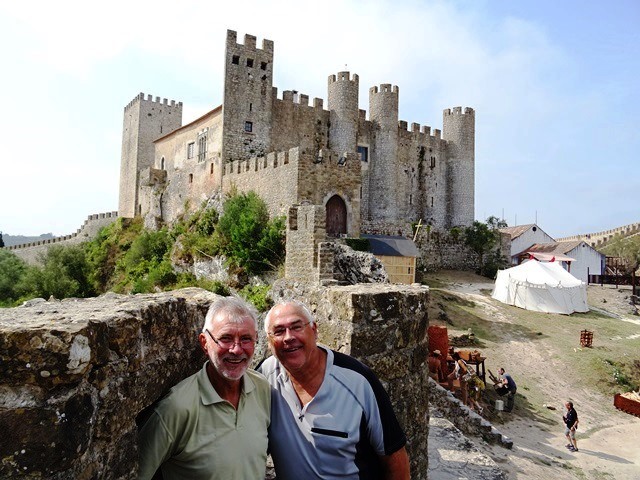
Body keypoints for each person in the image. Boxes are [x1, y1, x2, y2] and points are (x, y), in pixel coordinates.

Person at [258, 301, 410, 480]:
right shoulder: (265, 375)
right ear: (269, 342)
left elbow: (394, 457)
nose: (288, 337)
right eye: (278, 331)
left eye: (296, 327)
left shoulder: (357, 381)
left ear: (314, 330)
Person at [137, 297, 271, 480]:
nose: (237, 349)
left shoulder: (261, 388)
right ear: (204, 342)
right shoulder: (176, 409)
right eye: (226, 338)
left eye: (246, 339)